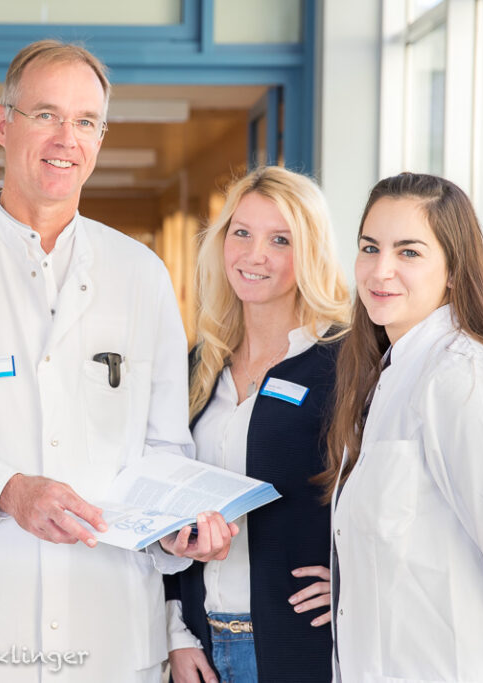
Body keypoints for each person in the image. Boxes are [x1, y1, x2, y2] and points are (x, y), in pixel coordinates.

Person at [0, 40, 236, 683]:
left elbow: (163, 444)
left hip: (109, 618)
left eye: (87, 122)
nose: (68, 137)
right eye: (46, 115)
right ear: (2, 124)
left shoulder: (140, 274)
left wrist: (174, 528)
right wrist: (7, 492)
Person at [322, 172, 483, 682]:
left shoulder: (463, 379)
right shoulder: (390, 374)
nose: (381, 270)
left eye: (409, 252)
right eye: (369, 247)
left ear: (452, 270)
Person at [163, 167, 347, 683]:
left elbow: (395, 500)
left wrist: (356, 582)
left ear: (309, 251)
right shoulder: (199, 365)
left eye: (280, 239)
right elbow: (163, 499)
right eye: (241, 232)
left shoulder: (346, 362)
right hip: (201, 648)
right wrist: (176, 634)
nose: (254, 254)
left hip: (302, 649)